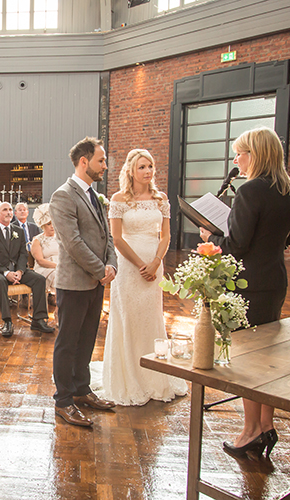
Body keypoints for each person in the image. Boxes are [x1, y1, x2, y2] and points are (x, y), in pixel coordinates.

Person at [200, 127, 290, 458]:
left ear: (254, 154)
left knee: (247, 361)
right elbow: (285, 241)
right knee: (266, 358)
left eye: (240, 153)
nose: (236, 159)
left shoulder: (250, 191)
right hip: (274, 280)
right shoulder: (288, 191)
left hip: (247, 284)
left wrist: (211, 236)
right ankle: (265, 426)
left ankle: (250, 431)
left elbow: (235, 247)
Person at [101, 149, 188, 406]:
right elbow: (116, 238)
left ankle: (154, 376)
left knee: (151, 318)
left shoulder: (161, 199)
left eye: (150, 166)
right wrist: (141, 265)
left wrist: (156, 263)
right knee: (127, 318)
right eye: (142, 167)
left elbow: (166, 236)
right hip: (129, 268)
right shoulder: (118, 199)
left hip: (154, 264)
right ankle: (127, 376)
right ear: (131, 170)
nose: (148, 171)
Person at [50, 137, 118, 427]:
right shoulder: (63, 196)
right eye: (101, 160)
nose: (105, 166)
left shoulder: (95, 196)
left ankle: (81, 388)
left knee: (88, 338)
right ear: (84, 162)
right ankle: (63, 400)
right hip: (75, 282)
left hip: (96, 281)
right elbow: (73, 242)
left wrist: (112, 263)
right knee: (68, 342)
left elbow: (108, 235)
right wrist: (100, 269)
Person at [0, 202, 54, 337]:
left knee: (39, 279)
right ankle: (7, 321)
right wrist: (6, 272)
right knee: (0, 281)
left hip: (16, 270)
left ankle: (38, 319)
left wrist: (20, 271)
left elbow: (23, 254)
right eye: (4, 210)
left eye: (10, 210)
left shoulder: (18, 231)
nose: (8, 212)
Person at [30, 203, 58, 300]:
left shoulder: (60, 238)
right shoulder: (37, 240)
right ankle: (59, 309)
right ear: (42, 225)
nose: (52, 226)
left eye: (53, 223)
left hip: (60, 266)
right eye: (48, 224)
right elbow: (40, 261)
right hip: (44, 268)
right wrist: (58, 266)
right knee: (59, 276)